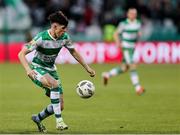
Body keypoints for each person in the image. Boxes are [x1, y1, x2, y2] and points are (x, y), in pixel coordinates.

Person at [18, 11, 95, 132]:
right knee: (54, 84)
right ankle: (59, 121)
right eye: (63, 28)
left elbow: (74, 52)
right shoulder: (41, 38)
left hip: (51, 70)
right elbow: (21, 53)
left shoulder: (64, 38)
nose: (65, 31)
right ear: (54, 26)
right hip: (37, 68)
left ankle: (38, 118)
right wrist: (28, 70)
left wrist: (87, 67)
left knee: (60, 105)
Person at [102, 8, 145, 95]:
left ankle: (107, 74)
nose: (133, 15)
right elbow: (115, 34)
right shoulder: (123, 24)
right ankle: (138, 88)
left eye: (134, 13)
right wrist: (118, 43)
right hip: (126, 47)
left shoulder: (138, 23)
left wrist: (138, 35)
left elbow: (139, 34)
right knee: (132, 66)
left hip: (132, 48)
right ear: (128, 14)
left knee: (124, 68)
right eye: (131, 13)